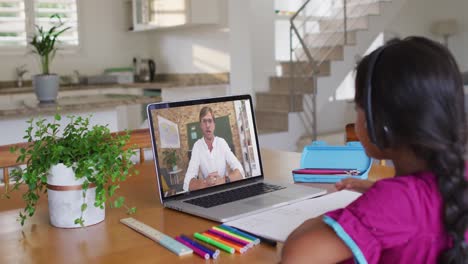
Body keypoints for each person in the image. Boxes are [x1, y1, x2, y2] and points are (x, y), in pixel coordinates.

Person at [281, 36, 468, 263]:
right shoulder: (456, 178)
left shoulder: (396, 202)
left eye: (357, 106)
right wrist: (377, 192)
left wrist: (353, 213)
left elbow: (296, 256)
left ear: (381, 122)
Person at [183, 106, 245, 191]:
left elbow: (240, 171)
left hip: (225, 187)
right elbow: (187, 183)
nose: (207, 125)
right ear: (200, 125)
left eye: (210, 121)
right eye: (204, 121)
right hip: (207, 191)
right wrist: (205, 183)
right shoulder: (197, 146)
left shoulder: (222, 142)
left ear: (214, 124)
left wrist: (223, 180)